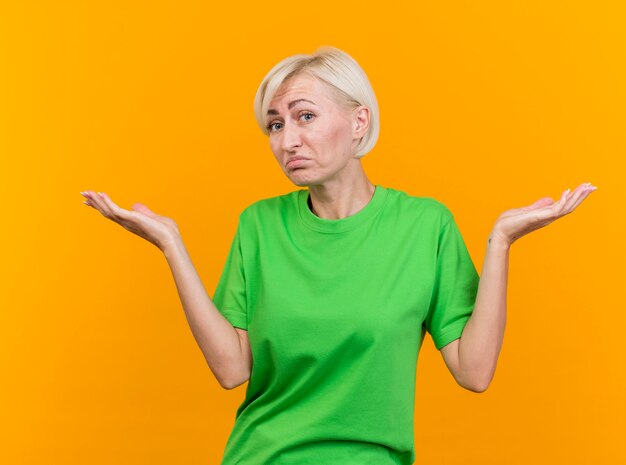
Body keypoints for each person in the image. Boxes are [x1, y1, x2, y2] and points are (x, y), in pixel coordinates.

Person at [80, 46, 596, 465]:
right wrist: (172, 245)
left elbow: (474, 371)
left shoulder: (425, 225)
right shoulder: (259, 224)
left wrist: (500, 243)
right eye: (276, 125)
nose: (288, 141)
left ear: (358, 122)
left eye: (305, 116)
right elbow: (232, 369)